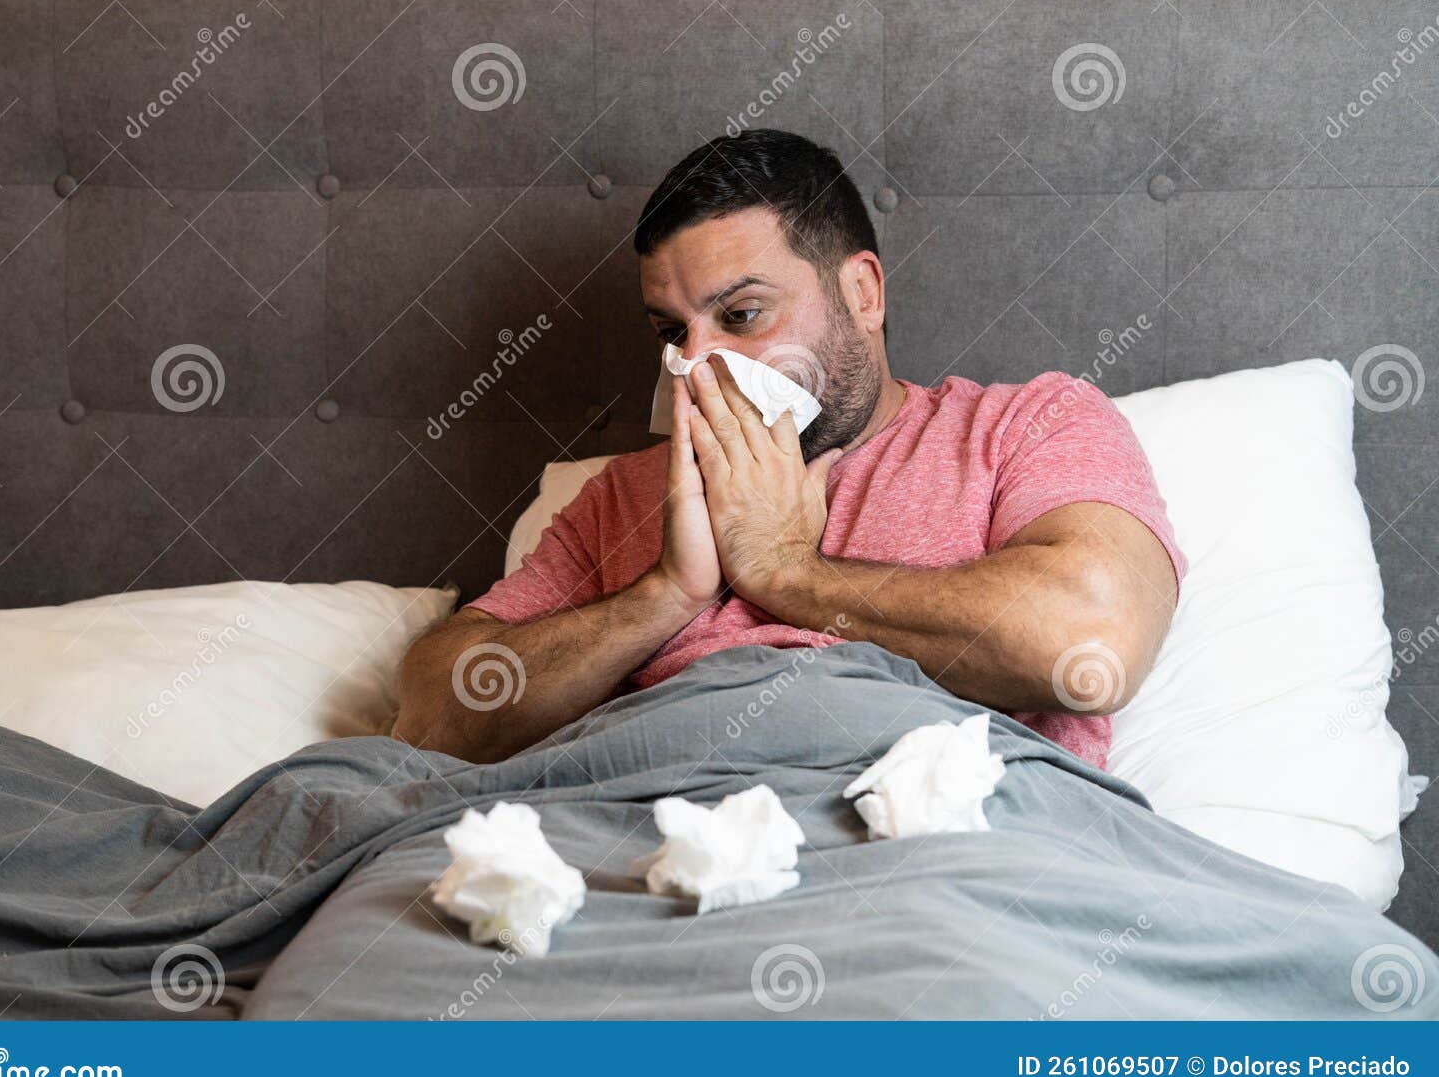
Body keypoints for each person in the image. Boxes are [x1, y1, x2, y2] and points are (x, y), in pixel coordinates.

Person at [394, 128, 1184, 769]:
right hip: (655, 842)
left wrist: (787, 571)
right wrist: (666, 593)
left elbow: (1095, 639)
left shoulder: (1024, 427)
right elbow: (433, 716)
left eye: (739, 315)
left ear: (862, 293)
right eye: (672, 332)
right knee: (332, 793)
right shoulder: (625, 496)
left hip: (929, 846)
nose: (693, 364)